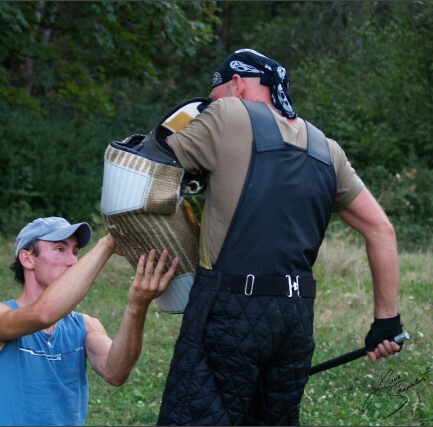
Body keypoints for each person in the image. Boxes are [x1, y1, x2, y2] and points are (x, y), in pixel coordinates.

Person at [155, 48, 404, 426]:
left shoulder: (226, 113)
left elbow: (149, 164)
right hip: (294, 320)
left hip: (227, 309)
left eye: (215, 94)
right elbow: (381, 230)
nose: (210, 105)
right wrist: (387, 321)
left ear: (236, 83)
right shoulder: (326, 149)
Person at [0, 216, 179, 426]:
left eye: (75, 252)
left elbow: (115, 373)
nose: (73, 261)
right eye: (60, 249)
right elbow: (42, 315)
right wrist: (107, 244)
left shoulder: (86, 325)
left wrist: (137, 307)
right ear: (27, 259)